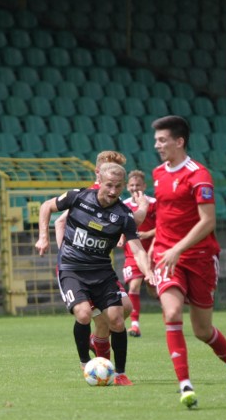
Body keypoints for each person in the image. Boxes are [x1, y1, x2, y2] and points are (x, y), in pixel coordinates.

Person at [149, 115, 226, 408]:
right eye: (156, 140)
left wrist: (179, 248)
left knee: (202, 330)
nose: (157, 145)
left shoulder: (199, 175)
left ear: (179, 141)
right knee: (173, 311)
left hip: (200, 258)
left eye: (162, 140)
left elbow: (208, 221)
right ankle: (185, 385)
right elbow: (165, 215)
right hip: (167, 255)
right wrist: (158, 246)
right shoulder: (157, 174)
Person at [36, 163, 151, 386]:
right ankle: (84, 362)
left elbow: (136, 247)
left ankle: (120, 374)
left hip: (102, 273)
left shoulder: (123, 215)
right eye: (109, 185)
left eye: (118, 187)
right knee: (83, 314)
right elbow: (46, 207)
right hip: (72, 269)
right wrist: (43, 237)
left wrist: (148, 272)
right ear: (100, 181)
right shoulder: (78, 197)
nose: (112, 191)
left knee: (117, 320)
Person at [121, 170, 157, 338]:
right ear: (128, 187)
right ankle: (135, 325)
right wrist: (121, 237)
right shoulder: (124, 205)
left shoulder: (154, 203)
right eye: (132, 185)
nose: (135, 188)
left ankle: (170, 313)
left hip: (154, 253)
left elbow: (164, 226)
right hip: (132, 253)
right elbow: (121, 225)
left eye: (138, 185)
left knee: (153, 288)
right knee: (134, 286)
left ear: (144, 186)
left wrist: (148, 234)